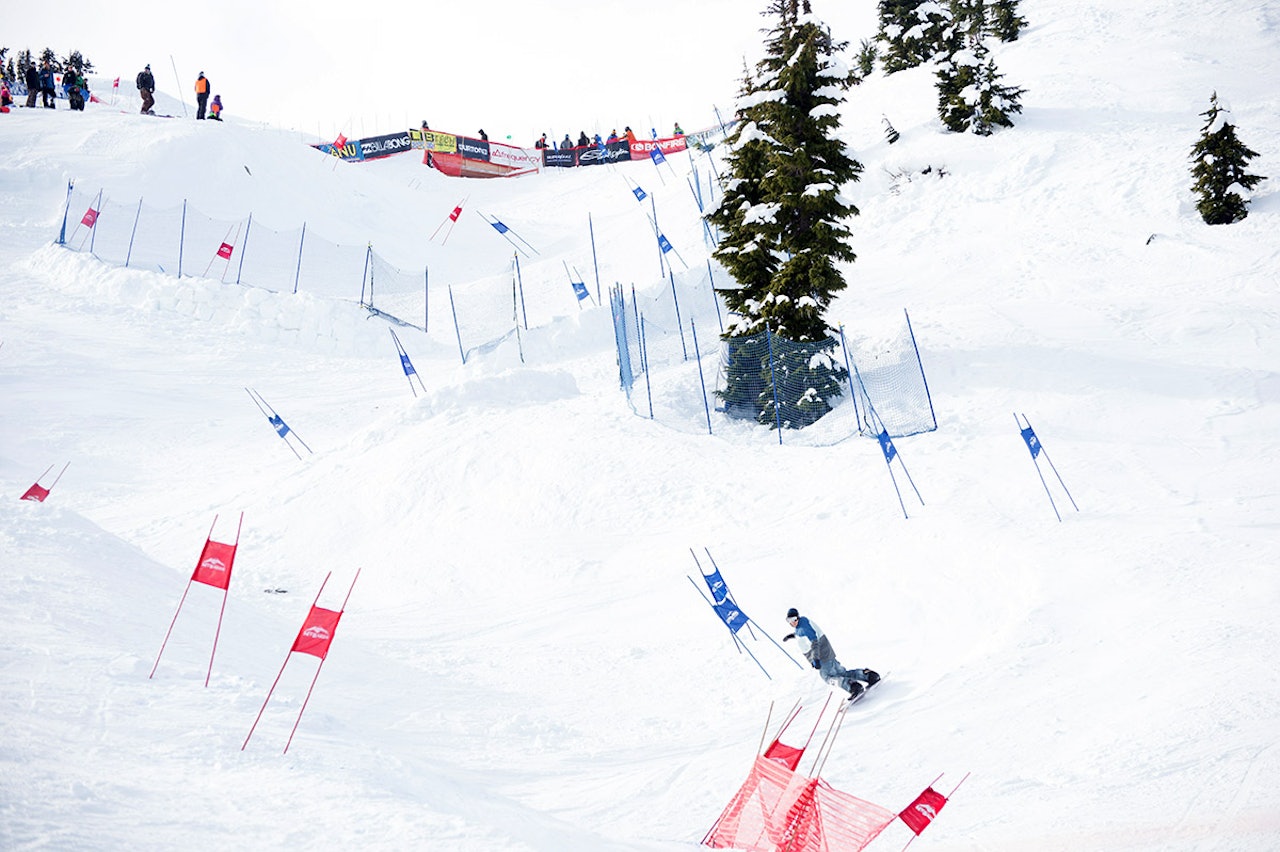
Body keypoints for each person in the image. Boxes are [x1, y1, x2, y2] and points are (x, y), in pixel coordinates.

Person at [783, 607, 879, 700]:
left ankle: (852, 686)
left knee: (828, 677)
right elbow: (805, 634)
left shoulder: (803, 628)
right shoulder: (803, 623)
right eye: (789, 620)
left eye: (794, 619)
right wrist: (794, 635)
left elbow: (814, 642)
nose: (792, 622)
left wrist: (816, 659)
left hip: (821, 657)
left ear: (798, 617)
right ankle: (869, 676)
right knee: (841, 673)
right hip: (827, 653)